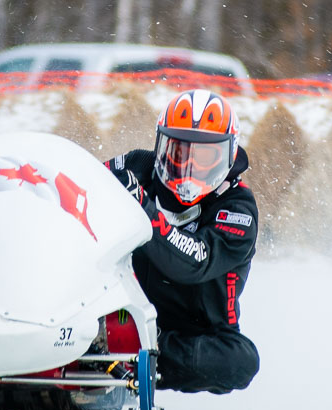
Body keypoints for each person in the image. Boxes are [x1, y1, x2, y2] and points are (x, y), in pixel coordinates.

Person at [105, 88, 259, 394]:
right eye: (179, 153)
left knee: (241, 361)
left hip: (191, 334)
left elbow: (194, 262)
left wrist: (143, 207)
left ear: (227, 155)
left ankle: (142, 352)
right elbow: (78, 184)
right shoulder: (138, 165)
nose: (189, 167)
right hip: (118, 308)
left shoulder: (238, 209)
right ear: (161, 145)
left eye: (203, 158)